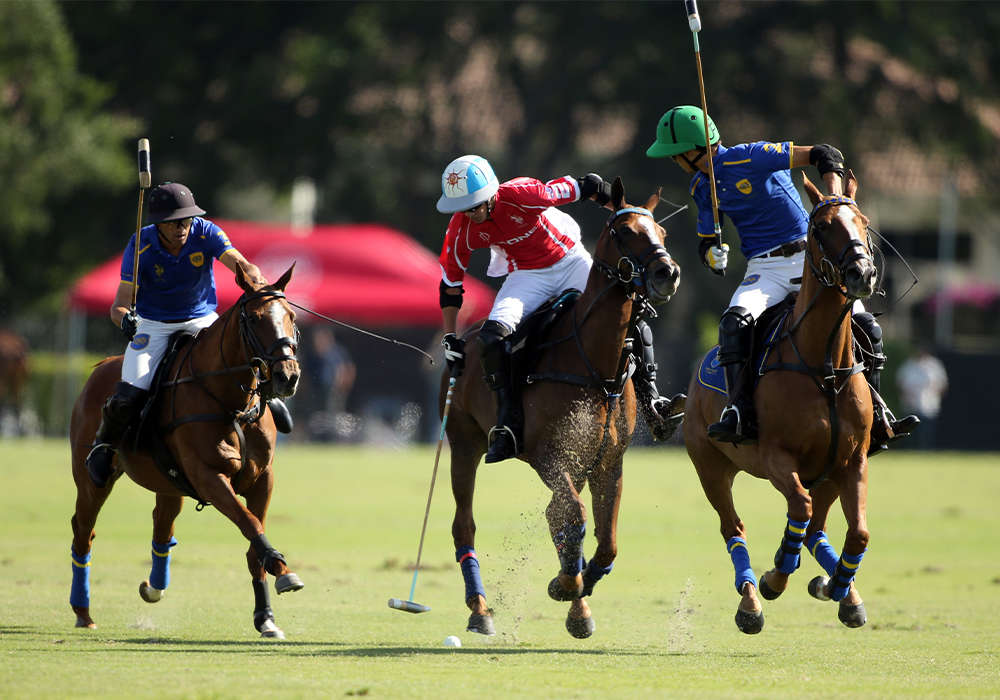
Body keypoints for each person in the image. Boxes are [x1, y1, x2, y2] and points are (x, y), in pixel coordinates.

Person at [645, 105, 918, 452]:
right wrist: (713, 254)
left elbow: (825, 154)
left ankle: (877, 413)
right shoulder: (702, 187)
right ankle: (739, 410)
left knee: (867, 326)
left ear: (694, 149)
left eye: (675, 154)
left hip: (812, 260)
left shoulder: (751, 157)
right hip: (765, 269)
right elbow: (706, 241)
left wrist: (832, 192)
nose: (673, 161)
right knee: (733, 323)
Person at [436, 155, 681, 463]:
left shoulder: (524, 194)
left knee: (629, 316)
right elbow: (450, 285)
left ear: (492, 195)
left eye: (474, 206)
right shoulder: (461, 228)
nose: (469, 214)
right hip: (526, 276)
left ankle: (652, 403)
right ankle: (507, 425)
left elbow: (588, 186)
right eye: (462, 209)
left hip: (570, 261)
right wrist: (450, 337)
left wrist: (626, 212)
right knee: (490, 339)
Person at [85, 182, 293, 488]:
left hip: (200, 319)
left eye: (186, 220)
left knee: (244, 348)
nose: (183, 227)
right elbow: (118, 306)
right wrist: (126, 320)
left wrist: (255, 279)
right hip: (154, 325)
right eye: (174, 222)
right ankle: (105, 446)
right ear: (159, 224)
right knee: (132, 388)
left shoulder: (205, 231)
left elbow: (239, 261)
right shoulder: (140, 245)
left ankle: (268, 398)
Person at [897, 347, 948, 450]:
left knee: (927, 432)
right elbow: (901, 383)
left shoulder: (934, 366)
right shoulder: (909, 365)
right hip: (911, 404)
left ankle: (926, 449)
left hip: (929, 405)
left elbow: (942, 384)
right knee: (910, 431)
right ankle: (909, 450)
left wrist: (934, 397)